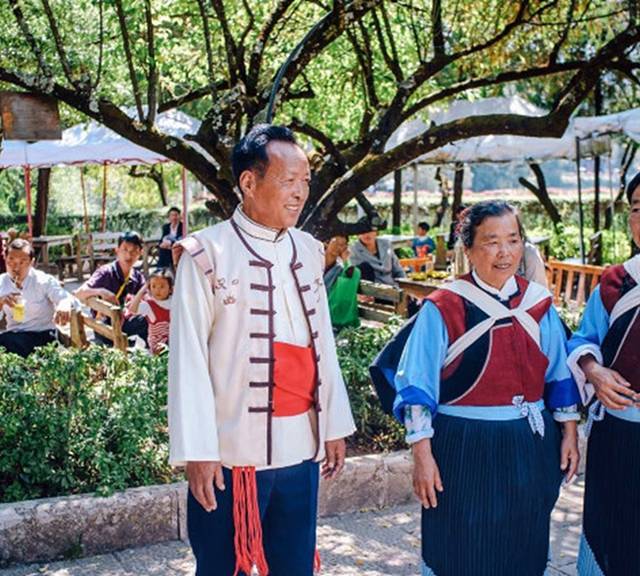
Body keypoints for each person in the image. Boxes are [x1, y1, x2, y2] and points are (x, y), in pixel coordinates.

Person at [168, 124, 355, 576]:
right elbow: (187, 361)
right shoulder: (205, 253)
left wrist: (334, 424)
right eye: (288, 181)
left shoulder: (309, 251)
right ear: (249, 182)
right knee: (222, 566)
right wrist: (198, 451)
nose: (300, 193)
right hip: (231, 454)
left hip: (301, 447)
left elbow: (323, 343)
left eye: (304, 181)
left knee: (294, 565)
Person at [392, 200, 580, 576]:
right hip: (462, 448)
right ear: (468, 249)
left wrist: (570, 433)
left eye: (513, 240)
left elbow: (560, 374)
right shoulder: (443, 307)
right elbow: (416, 386)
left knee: (522, 549)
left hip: (528, 446)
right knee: (460, 550)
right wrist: (422, 456)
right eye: (492, 242)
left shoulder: (538, 305)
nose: (504, 252)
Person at [566, 173, 640, 576]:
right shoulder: (615, 283)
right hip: (617, 434)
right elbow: (582, 340)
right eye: (637, 208)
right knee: (612, 535)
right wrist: (594, 371)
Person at [0, 239, 75, 357]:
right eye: (11, 261)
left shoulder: (43, 280)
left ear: (32, 263)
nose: (16, 267)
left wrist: (63, 305)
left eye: (22, 262)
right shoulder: (2, 282)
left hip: (43, 336)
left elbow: (64, 298)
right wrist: (1, 303)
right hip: (14, 336)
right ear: (5, 259)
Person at [75, 231, 147, 344]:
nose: (129, 255)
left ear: (140, 252)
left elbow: (147, 298)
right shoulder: (105, 272)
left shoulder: (137, 276)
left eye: (134, 251)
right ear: (117, 250)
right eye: (125, 249)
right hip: (104, 326)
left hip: (125, 323)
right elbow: (79, 293)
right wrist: (101, 291)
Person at [127, 268, 173, 354]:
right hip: (158, 349)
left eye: (162, 287)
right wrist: (142, 290)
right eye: (153, 286)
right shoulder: (149, 305)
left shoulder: (174, 301)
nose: (157, 290)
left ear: (170, 289)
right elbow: (132, 309)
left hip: (174, 342)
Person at [324, 235, 360, 331]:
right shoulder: (314, 263)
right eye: (336, 242)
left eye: (343, 245)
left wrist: (346, 260)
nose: (339, 247)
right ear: (326, 243)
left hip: (331, 316)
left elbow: (352, 276)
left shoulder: (341, 269)